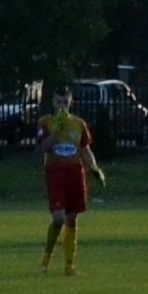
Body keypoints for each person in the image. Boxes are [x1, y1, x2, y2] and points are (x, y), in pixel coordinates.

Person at [37, 86, 107, 275]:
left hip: (75, 173)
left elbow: (85, 149)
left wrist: (94, 168)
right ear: (53, 103)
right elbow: (44, 148)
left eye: (65, 102)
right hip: (55, 173)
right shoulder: (45, 122)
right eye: (59, 102)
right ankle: (47, 256)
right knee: (58, 218)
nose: (62, 106)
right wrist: (55, 132)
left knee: (72, 219)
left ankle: (69, 265)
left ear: (71, 102)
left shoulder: (78, 123)